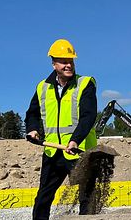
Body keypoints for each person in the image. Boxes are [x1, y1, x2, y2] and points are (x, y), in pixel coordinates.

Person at [25, 39, 98, 219]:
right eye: (64, 61)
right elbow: (32, 113)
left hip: (78, 151)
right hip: (52, 152)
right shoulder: (43, 87)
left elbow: (88, 117)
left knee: (86, 196)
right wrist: (33, 129)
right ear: (54, 64)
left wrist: (75, 140)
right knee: (43, 197)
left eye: (71, 61)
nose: (68, 65)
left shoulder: (85, 83)